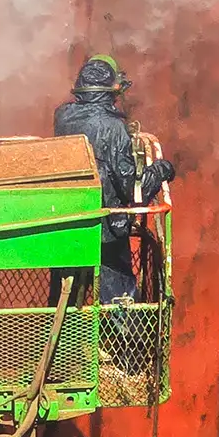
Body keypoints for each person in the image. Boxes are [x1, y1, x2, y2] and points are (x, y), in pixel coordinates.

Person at [53, 55, 176, 304]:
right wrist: (162, 169)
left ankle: (63, 342)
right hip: (106, 230)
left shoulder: (63, 117)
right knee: (122, 304)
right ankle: (129, 341)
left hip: (68, 224)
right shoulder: (113, 128)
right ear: (111, 90)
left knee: (63, 304)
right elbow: (134, 189)